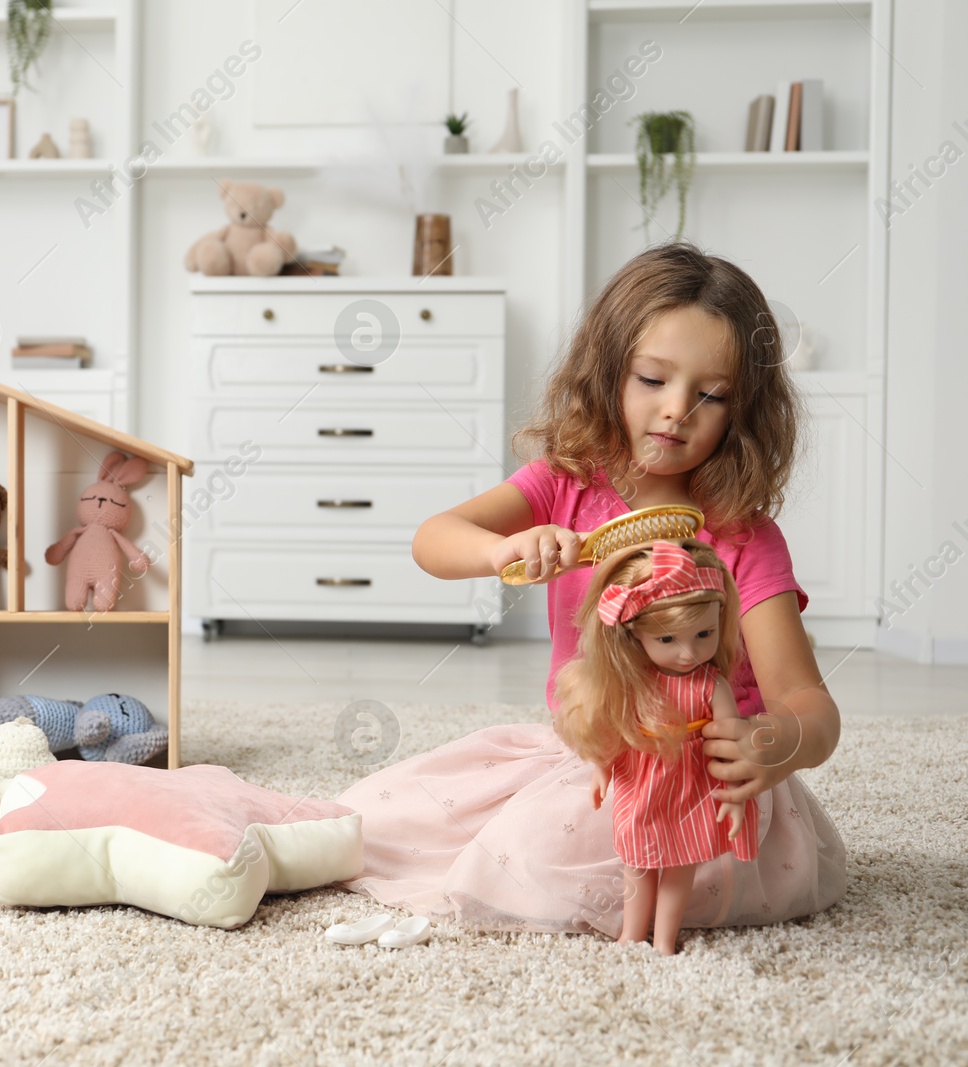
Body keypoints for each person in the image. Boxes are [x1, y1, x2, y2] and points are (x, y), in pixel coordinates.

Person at [337, 242, 846, 939]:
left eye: (712, 395)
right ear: (608, 372)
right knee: (377, 818)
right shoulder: (565, 483)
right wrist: (502, 548)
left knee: (528, 865)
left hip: (700, 787)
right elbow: (433, 539)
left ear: (743, 410)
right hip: (591, 758)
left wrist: (775, 740)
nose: (675, 411)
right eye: (651, 378)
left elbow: (813, 707)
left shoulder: (744, 539)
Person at [554, 538, 757, 954]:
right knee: (637, 862)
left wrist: (735, 797)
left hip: (694, 785)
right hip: (642, 777)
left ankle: (665, 939)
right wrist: (602, 767)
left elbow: (731, 746)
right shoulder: (633, 685)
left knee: (681, 864)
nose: (689, 652)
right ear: (633, 635)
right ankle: (632, 931)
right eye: (667, 640)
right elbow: (613, 729)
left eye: (705, 634)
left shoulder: (710, 685)